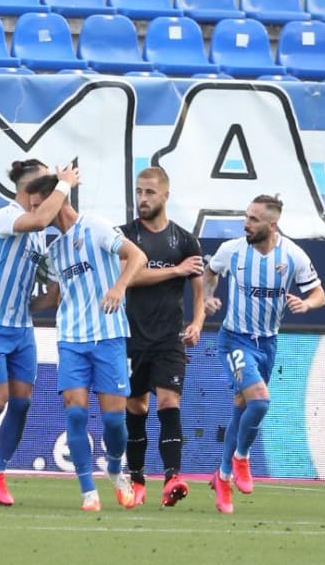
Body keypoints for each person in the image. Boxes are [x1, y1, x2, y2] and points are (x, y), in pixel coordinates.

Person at [0, 157, 80, 507]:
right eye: (46, 185)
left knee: (22, 403)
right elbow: (43, 218)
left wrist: (58, 290)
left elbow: (45, 292)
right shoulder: (6, 216)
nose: (51, 191)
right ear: (32, 192)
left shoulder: (39, 238)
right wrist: (66, 183)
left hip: (20, 328)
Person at [201, 194, 325, 515]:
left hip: (268, 344)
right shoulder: (233, 251)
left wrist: (306, 303)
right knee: (259, 401)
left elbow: (319, 293)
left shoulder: (292, 256)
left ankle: (222, 477)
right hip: (234, 340)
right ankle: (242, 458)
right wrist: (208, 298)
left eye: (254, 219)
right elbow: (209, 272)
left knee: (242, 409)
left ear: (272, 224)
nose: (246, 223)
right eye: (246, 216)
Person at [41, 191, 145, 512]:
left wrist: (118, 286)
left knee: (115, 421)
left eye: (41, 205)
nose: (37, 213)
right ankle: (88, 491)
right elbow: (57, 293)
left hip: (109, 336)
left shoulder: (96, 227)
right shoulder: (54, 250)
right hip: (72, 339)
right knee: (75, 412)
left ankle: (114, 467)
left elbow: (137, 256)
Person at [120, 166, 205, 507]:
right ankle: (137, 479)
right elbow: (127, 278)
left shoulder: (185, 240)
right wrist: (175, 271)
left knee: (170, 403)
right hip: (131, 335)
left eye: (149, 193)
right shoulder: (124, 236)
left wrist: (198, 322)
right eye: (139, 192)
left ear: (165, 195)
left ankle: (172, 478)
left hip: (169, 337)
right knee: (136, 406)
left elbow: (199, 292)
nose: (142, 198)